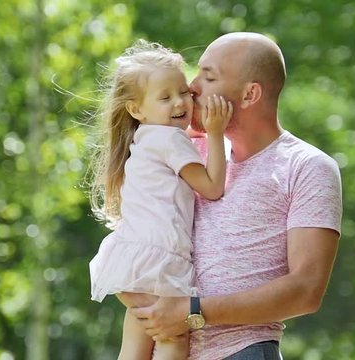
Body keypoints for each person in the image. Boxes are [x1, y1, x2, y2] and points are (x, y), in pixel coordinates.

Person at [128, 32, 343, 359]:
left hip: (242, 351)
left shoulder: (307, 167)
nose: (192, 86)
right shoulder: (187, 150)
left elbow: (306, 291)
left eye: (208, 76)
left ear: (249, 94)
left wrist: (194, 311)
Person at [88, 40, 233, 359]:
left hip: (134, 262)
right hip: (160, 264)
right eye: (165, 97)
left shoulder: (145, 136)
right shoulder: (170, 139)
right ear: (136, 109)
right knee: (174, 337)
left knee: (137, 339)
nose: (180, 102)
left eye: (184, 92)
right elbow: (211, 187)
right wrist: (215, 132)